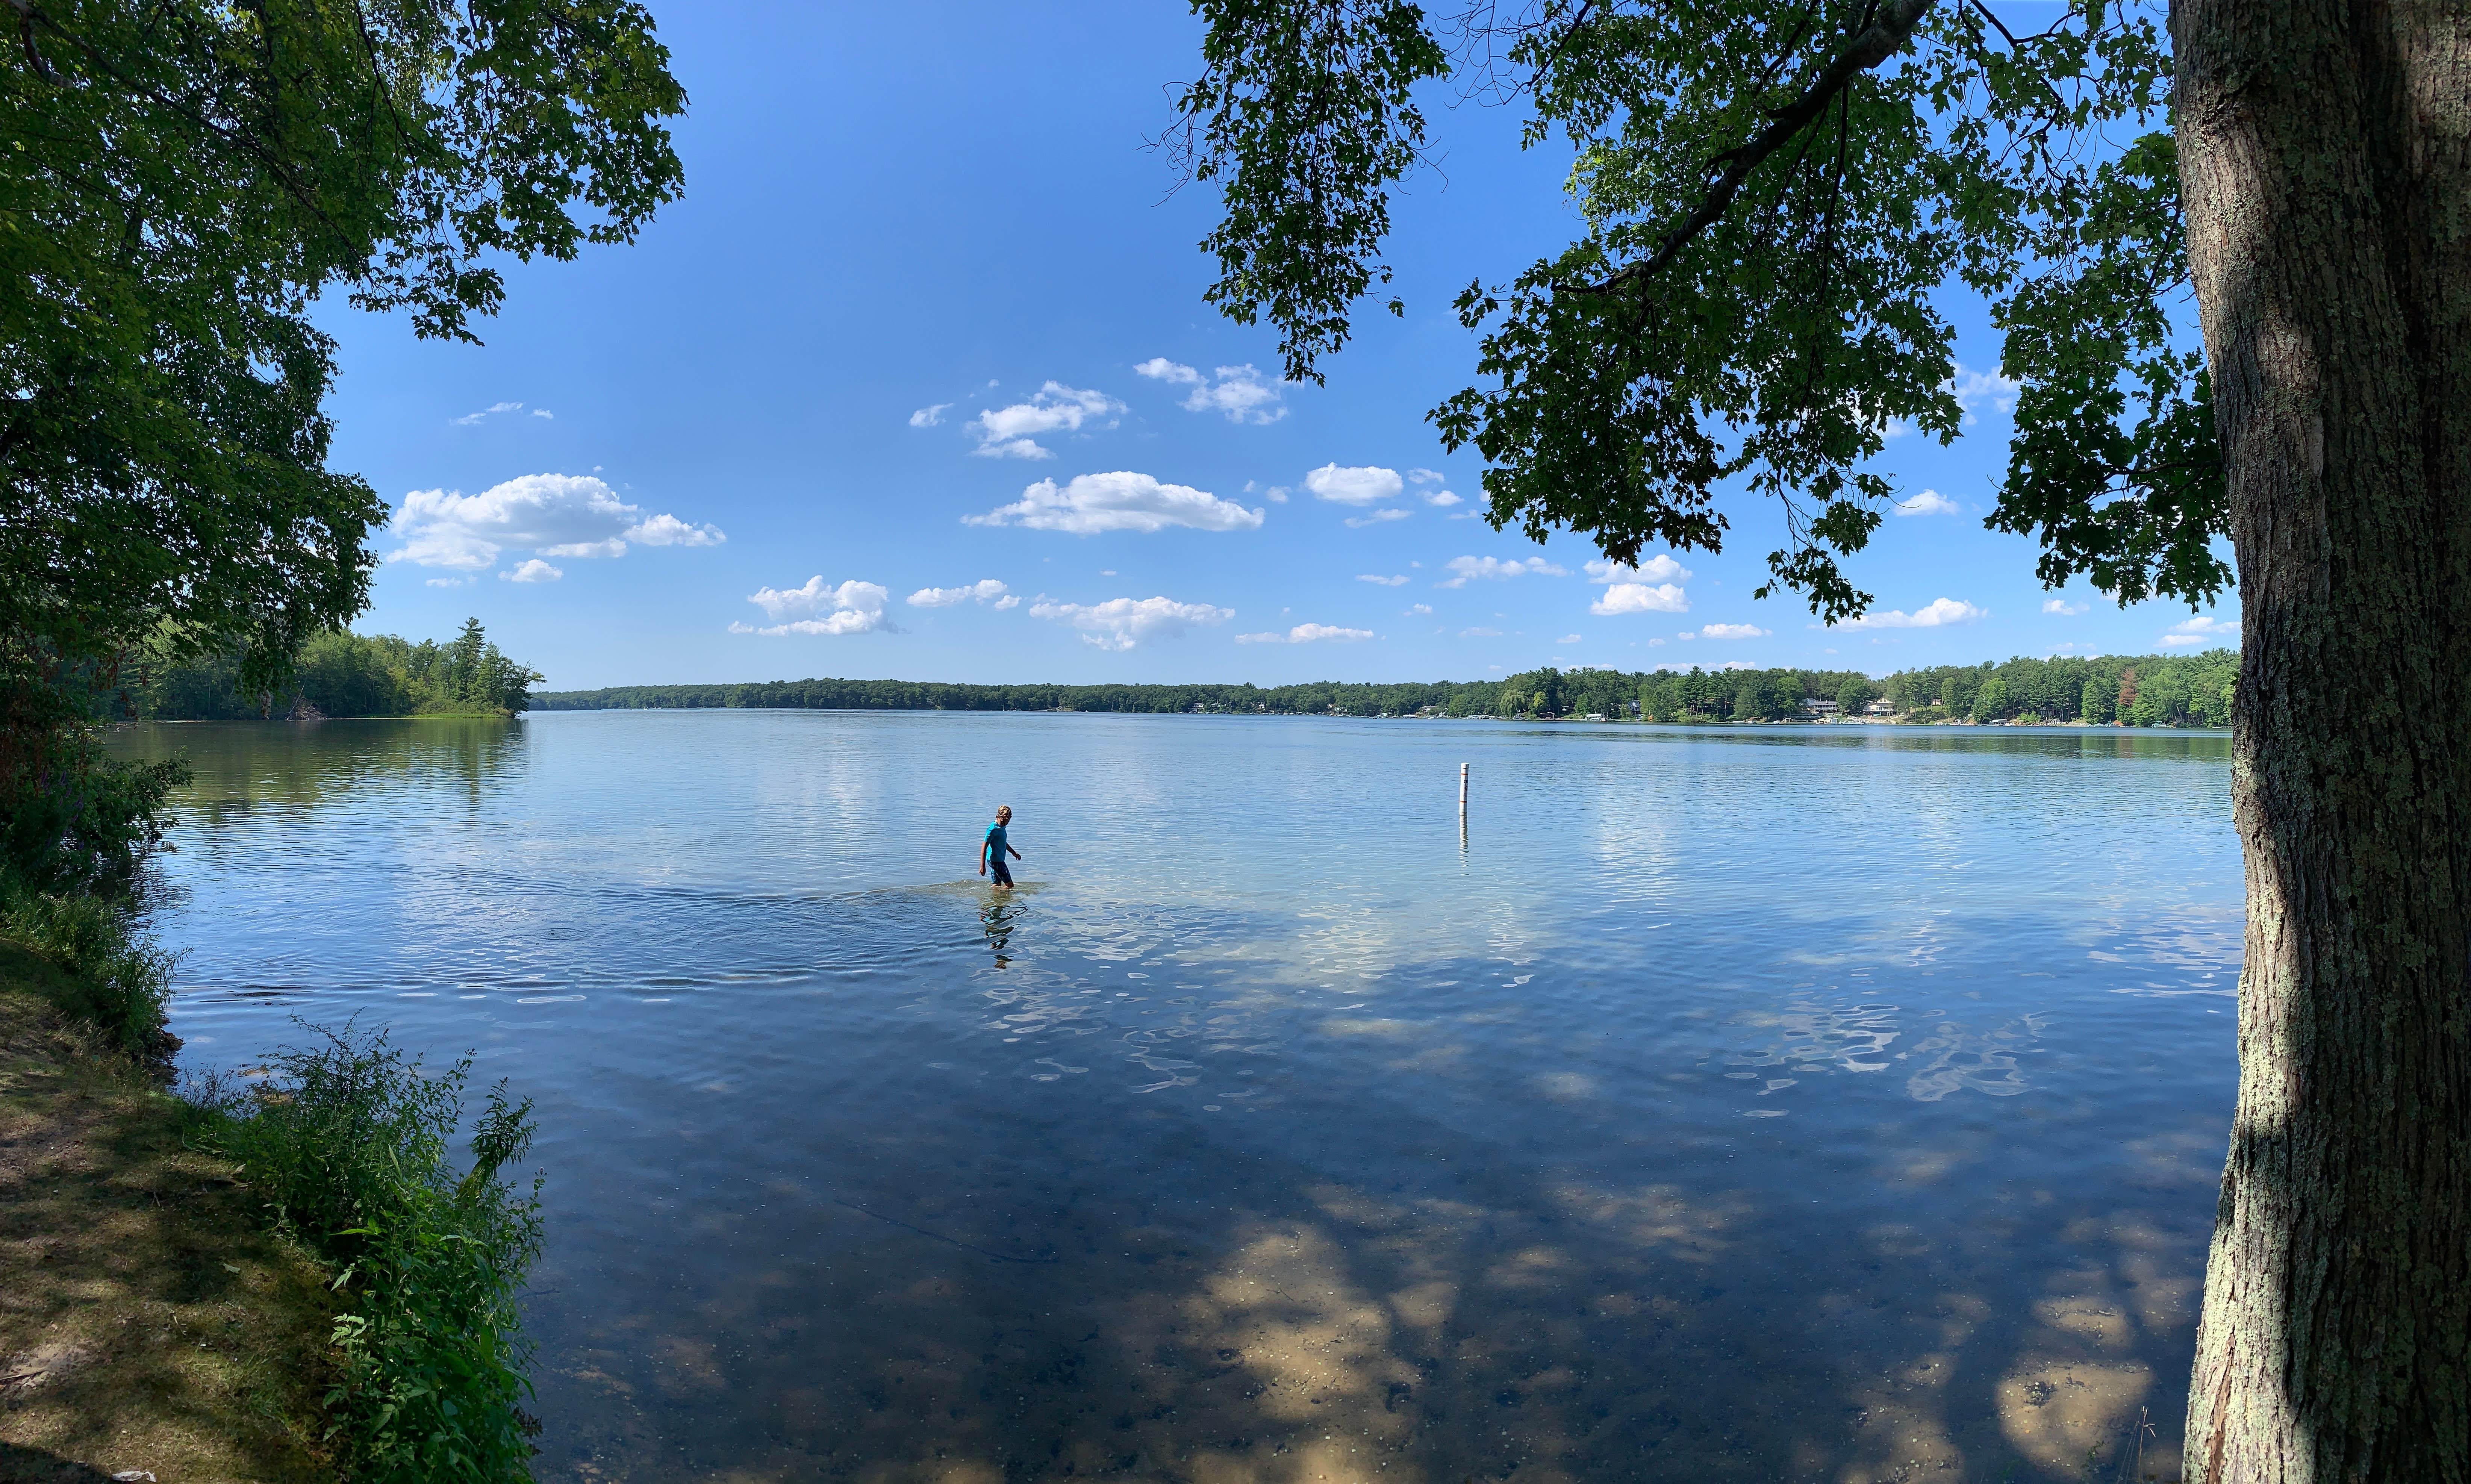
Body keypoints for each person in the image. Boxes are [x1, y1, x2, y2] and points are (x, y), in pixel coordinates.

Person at [979, 804, 1022, 889]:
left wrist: (1014, 853)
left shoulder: (1002, 826)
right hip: (996, 861)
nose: (1005, 824)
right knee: (1010, 886)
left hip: (996, 860)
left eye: (1008, 822)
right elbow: (984, 847)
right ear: (997, 817)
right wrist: (982, 866)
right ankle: (1004, 899)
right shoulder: (993, 830)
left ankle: (996, 899)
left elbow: (1003, 842)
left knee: (997, 885)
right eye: (1003, 822)